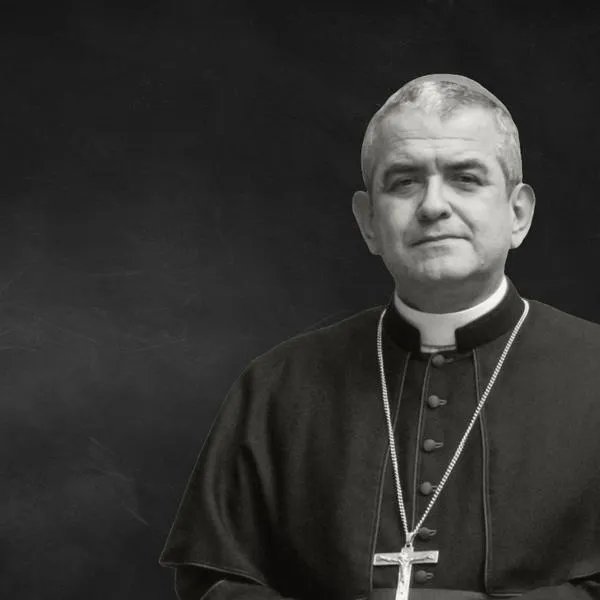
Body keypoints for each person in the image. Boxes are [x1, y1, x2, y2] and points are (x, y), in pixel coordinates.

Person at [159, 74, 600, 600]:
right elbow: (214, 583)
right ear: (369, 221)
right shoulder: (278, 385)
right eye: (404, 181)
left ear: (518, 214)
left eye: (465, 178)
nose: (433, 205)